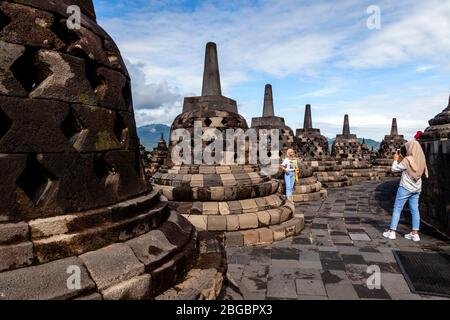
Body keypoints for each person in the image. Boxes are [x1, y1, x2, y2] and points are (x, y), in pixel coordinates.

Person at [383, 140, 429, 242]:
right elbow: (413, 167)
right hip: (416, 188)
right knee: (414, 210)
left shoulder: (408, 160)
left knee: (397, 208)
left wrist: (395, 159)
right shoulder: (421, 158)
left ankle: (392, 232)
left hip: (405, 187)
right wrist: (403, 159)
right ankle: (415, 234)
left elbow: (394, 169)